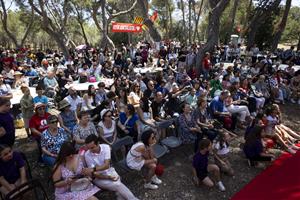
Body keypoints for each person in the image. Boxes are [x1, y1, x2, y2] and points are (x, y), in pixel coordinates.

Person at [84, 134, 138, 200]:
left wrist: (93, 169)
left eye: (92, 147)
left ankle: (119, 198)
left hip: (110, 171)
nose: (90, 150)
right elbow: (95, 174)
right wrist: (108, 177)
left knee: (118, 188)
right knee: (118, 185)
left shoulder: (106, 147)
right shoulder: (87, 154)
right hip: (99, 178)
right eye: (89, 148)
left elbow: (106, 166)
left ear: (98, 143)